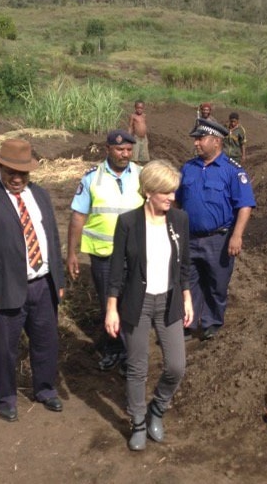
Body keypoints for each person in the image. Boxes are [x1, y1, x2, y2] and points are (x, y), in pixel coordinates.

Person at [0, 138, 66, 422]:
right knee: (4, 347)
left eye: (23, 173)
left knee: (46, 341)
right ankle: (6, 397)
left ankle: (45, 389)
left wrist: (58, 279)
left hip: (42, 284)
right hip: (3, 285)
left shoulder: (40, 195)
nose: (18, 179)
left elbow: (52, 239)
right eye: (12, 172)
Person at [104, 160, 192, 451]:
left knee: (177, 366)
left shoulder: (180, 220)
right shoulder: (128, 222)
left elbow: (184, 265)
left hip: (169, 301)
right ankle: (138, 421)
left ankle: (158, 408)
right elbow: (117, 270)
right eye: (166, 192)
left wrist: (187, 298)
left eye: (173, 192)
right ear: (149, 192)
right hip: (137, 303)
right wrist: (112, 308)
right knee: (137, 367)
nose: (171, 198)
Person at [67, 130, 144, 372]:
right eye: (120, 150)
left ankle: (132, 352)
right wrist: (72, 253)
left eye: (129, 150)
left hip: (135, 254)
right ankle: (114, 349)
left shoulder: (143, 175)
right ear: (108, 149)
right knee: (108, 303)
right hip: (104, 254)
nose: (125, 154)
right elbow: (78, 216)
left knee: (133, 302)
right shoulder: (92, 178)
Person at [176, 118, 256, 341]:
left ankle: (212, 322)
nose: (196, 144)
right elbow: (177, 201)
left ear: (216, 141)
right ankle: (188, 322)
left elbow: (245, 205)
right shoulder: (188, 168)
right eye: (196, 139)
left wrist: (237, 235)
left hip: (218, 239)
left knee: (216, 283)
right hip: (190, 237)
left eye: (201, 139)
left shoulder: (232, 171)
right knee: (189, 282)